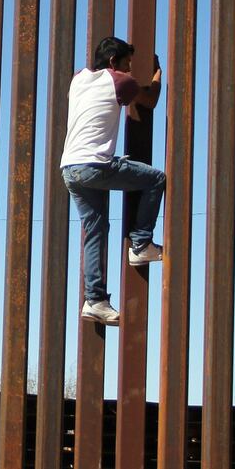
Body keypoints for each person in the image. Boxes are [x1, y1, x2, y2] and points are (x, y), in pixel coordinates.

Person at [62, 37, 166, 326]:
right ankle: (141, 244)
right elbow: (150, 99)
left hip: (71, 168)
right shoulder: (120, 81)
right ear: (113, 63)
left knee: (96, 229)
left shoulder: (78, 79)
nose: (130, 70)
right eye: (127, 64)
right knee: (155, 179)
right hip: (94, 166)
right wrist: (157, 75)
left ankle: (94, 300)